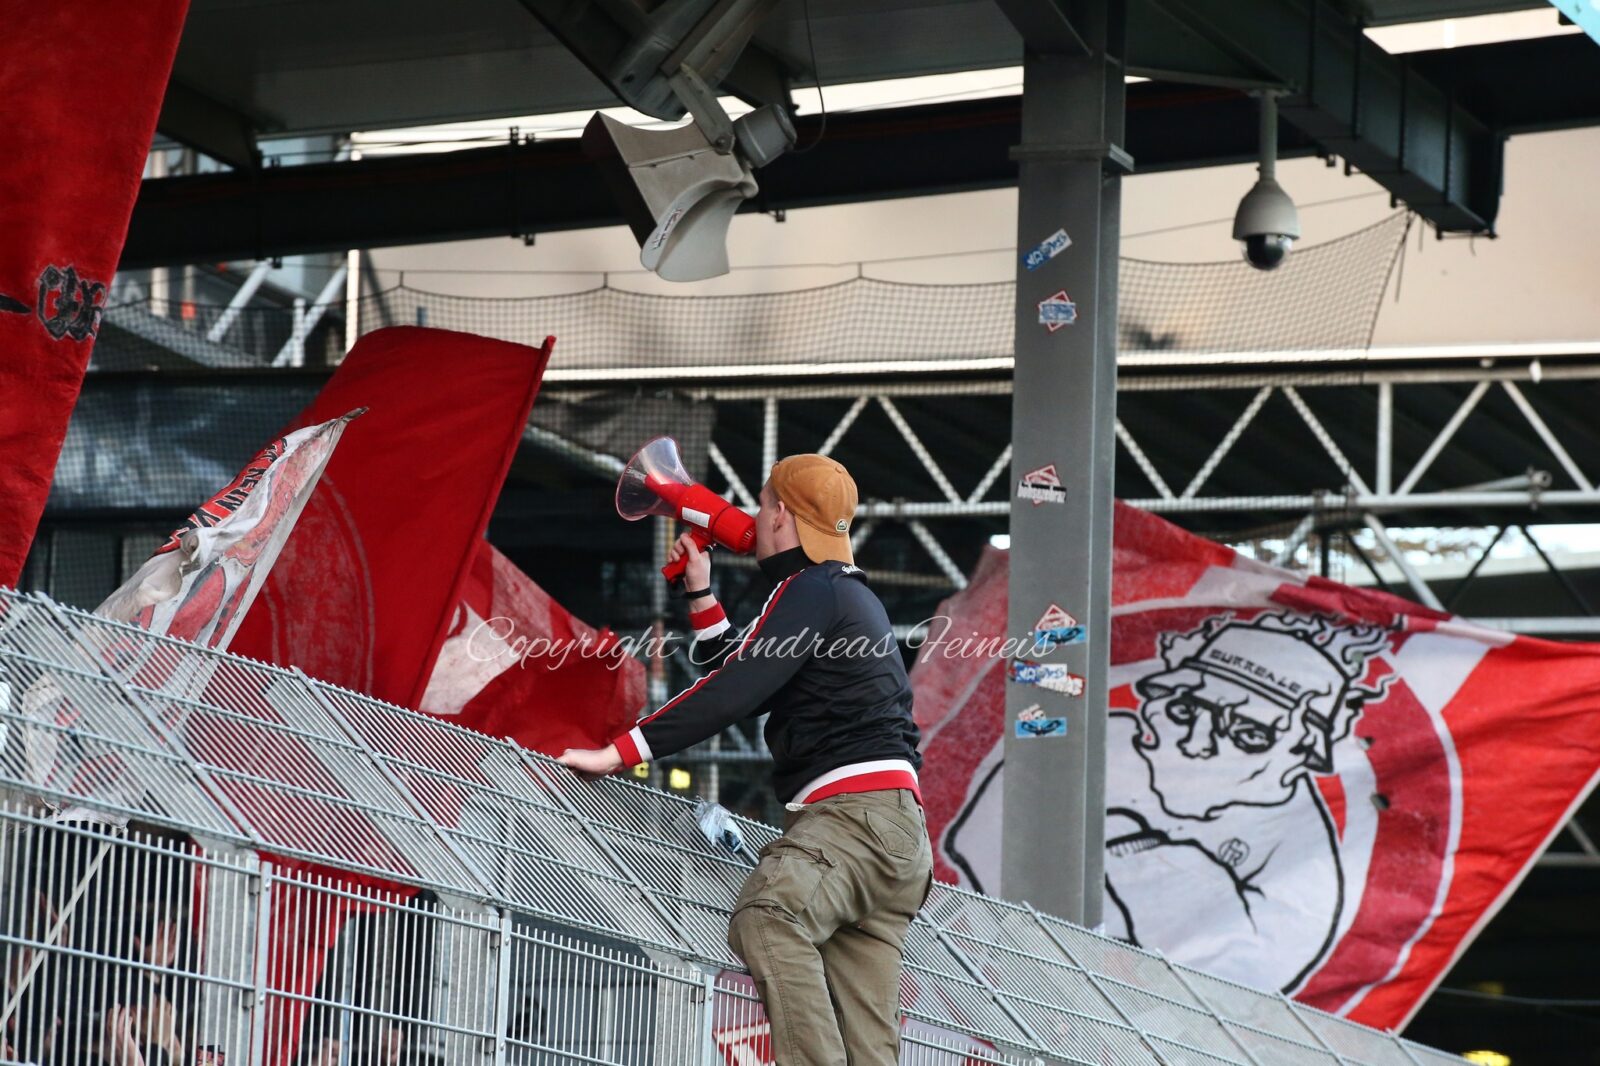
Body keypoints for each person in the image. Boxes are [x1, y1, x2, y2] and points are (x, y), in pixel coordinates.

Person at [558, 453, 932, 1066]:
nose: (753, 521)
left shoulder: (811, 589)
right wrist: (702, 592)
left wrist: (621, 751)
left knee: (767, 917)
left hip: (853, 820)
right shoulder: (842, 595)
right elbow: (747, 668)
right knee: (869, 1041)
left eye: (761, 507)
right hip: (896, 836)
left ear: (781, 514)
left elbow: (735, 689)